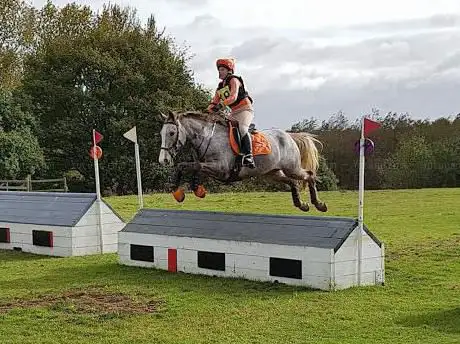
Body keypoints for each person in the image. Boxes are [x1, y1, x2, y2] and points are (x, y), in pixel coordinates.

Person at [207, 57, 256, 168]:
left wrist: (220, 105)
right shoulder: (220, 86)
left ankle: (249, 155)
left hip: (245, 109)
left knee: (242, 129)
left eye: (222, 69)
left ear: (229, 71)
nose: (220, 72)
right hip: (233, 112)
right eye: (219, 70)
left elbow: (233, 97)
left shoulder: (234, 80)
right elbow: (214, 102)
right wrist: (208, 110)